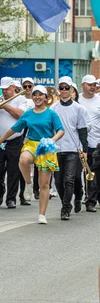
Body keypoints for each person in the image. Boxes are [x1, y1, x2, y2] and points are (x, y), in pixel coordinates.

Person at [0, 85, 64, 224]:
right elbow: (14, 129)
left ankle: (42, 214)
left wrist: (52, 140)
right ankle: (28, 183)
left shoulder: (51, 114)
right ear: (32, 97)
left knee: (44, 184)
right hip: (31, 144)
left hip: (46, 147)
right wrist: (1, 140)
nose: (37, 97)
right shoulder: (28, 114)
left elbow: (61, 130)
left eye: (40, 95)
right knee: (23, 159)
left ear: (46, 97)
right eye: (35, 94)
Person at [50, 76, 89, 220]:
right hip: (57, 149)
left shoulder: (79, 109)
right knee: (59, 181)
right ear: (59, 90)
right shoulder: (53, 108)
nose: (64, 90)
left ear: (72, 89)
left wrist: (84, 150)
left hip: (73, 149)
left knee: (70, 179)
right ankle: (66, 202)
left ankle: (66, 207)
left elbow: (82, 130)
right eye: (62, 88)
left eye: (67, 88)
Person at [0, 77, 28, 209]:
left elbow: (21, 116)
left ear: (13, 87)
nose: (5, 91)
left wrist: (5, 106)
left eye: (7, 89)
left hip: (15, 140)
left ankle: (11, 198)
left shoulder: (21, 99)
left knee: (14, 171)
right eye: (3, 89)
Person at [78, 75, 100, 212]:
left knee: (95, 171)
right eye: (89, 84)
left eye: (94, 85)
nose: (92, 87)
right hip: (81, 143)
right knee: (87, 171)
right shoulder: (78, 100)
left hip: (98, 142)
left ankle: (92, 198)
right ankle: (89, 199)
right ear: (83, 85)